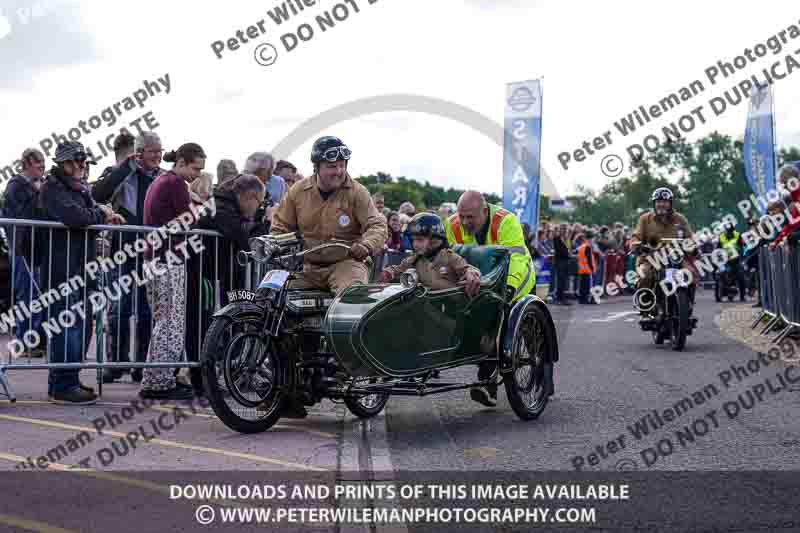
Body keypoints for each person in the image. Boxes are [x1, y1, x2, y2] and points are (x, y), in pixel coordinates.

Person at [269, 135, 387, 417]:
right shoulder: (298, 191)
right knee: (277, 304)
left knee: (351, 300)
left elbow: (378, 225)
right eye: (331, 165)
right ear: (316, 166)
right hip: (308, 267)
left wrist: (366, 245)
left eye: (342, 164)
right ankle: (289, 387)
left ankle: (350, 366)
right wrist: (278, 245)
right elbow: (280, 226)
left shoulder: (357, 192)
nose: (338, 171)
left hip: (345, 261)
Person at [444, 191, 552, 406]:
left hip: (514, 276)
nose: (464, 222)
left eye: (470, 217)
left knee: (510, 321)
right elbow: (448, 259)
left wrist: (509, 289)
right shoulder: (452, 225)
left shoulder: (506, 222)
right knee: (479, 325)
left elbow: (518, 259)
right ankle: (489, 384)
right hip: (477, 281)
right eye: (461, 216)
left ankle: (544, 379)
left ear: (484, 211)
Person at [39, 142, 124, 404]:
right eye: (75, 162)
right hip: (61, 269)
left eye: (83, 162)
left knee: (80, 326)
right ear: (64, 163)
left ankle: (70, 379)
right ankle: (62, 385)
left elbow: (86, 218)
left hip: (80, 266)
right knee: (68, 326)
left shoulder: (78, 188)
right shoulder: (53, 187)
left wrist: (102, 215)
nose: (80, 166)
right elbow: (74, 216)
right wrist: (101, 212)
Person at [91, 131, 162, 384]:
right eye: (152, 151)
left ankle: (142, 363)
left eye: (160, 150)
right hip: (123, 251)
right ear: (139, 152)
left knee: (146, 310)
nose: (157, 155)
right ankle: (116, 362)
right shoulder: (119, 170)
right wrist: (126, 167)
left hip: (152, 252)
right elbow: (97, 194)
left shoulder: (162, 176)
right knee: (119, 309)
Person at [140, 142, 206, 400]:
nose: (197, 174)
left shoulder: (162, 180)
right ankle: (159, 382)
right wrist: (200, 206)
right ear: (181, 163)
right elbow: (191, 220)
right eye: (195, 168)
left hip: (156, 258)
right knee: (170, 322)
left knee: (163, 320)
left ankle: (158, 378)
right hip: (168, 259)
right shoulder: (176, 184)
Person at [3, 148, 47, 357]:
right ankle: (22, 342)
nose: (42, 168)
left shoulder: (29, 186)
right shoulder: (15, 186)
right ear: (28, 163)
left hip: (32, 249)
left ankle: (32, 340)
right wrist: (39, 193)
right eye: (39, 164)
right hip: (22, 249)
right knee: (26, 296)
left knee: (34, 296)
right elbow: (20, 216)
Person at [629, 187, 698, 314]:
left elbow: (690, 237)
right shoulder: (645, 219)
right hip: (650, 258)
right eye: (658, 201)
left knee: (691, 273)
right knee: (646, 275)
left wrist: (693, 246)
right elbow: (636, 236)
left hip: (676, 257)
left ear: (670, 203)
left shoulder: (680, 219)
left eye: (665, 201)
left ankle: (687, 307)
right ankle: (646, 306)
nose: (661, 204)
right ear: (654, 203)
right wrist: (636, 244)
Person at [376, 213, 481, 294]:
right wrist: (388, 273)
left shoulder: (449, 257)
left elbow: (467, 268)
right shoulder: (416, 259)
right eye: (413, 240)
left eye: (420, 239)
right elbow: (399, 268)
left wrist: (471, 273)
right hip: (427, 309)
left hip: (450, 311)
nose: (415, 244)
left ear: (435, 240)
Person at [718, 221, 746, 302]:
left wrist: (740, 255)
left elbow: (741, 247)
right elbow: (718, 248)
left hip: (736, 259)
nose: (728, 232)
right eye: (727, 230)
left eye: (730, 230)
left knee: (741, 276)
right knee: (720, 273)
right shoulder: (721, 236)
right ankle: (721, 293)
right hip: (725, 260)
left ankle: (742, 296)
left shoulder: (737, 235)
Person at [576, 231, 597, 304]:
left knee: (582, 286)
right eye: (593, 239)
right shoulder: (587, 247)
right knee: (587, 286)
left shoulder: (581, 246)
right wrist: (592, 268)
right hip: (587, 269)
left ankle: (581, 299)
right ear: (590, 239)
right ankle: (587, 299)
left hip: (582, 269)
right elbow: (589, 259)